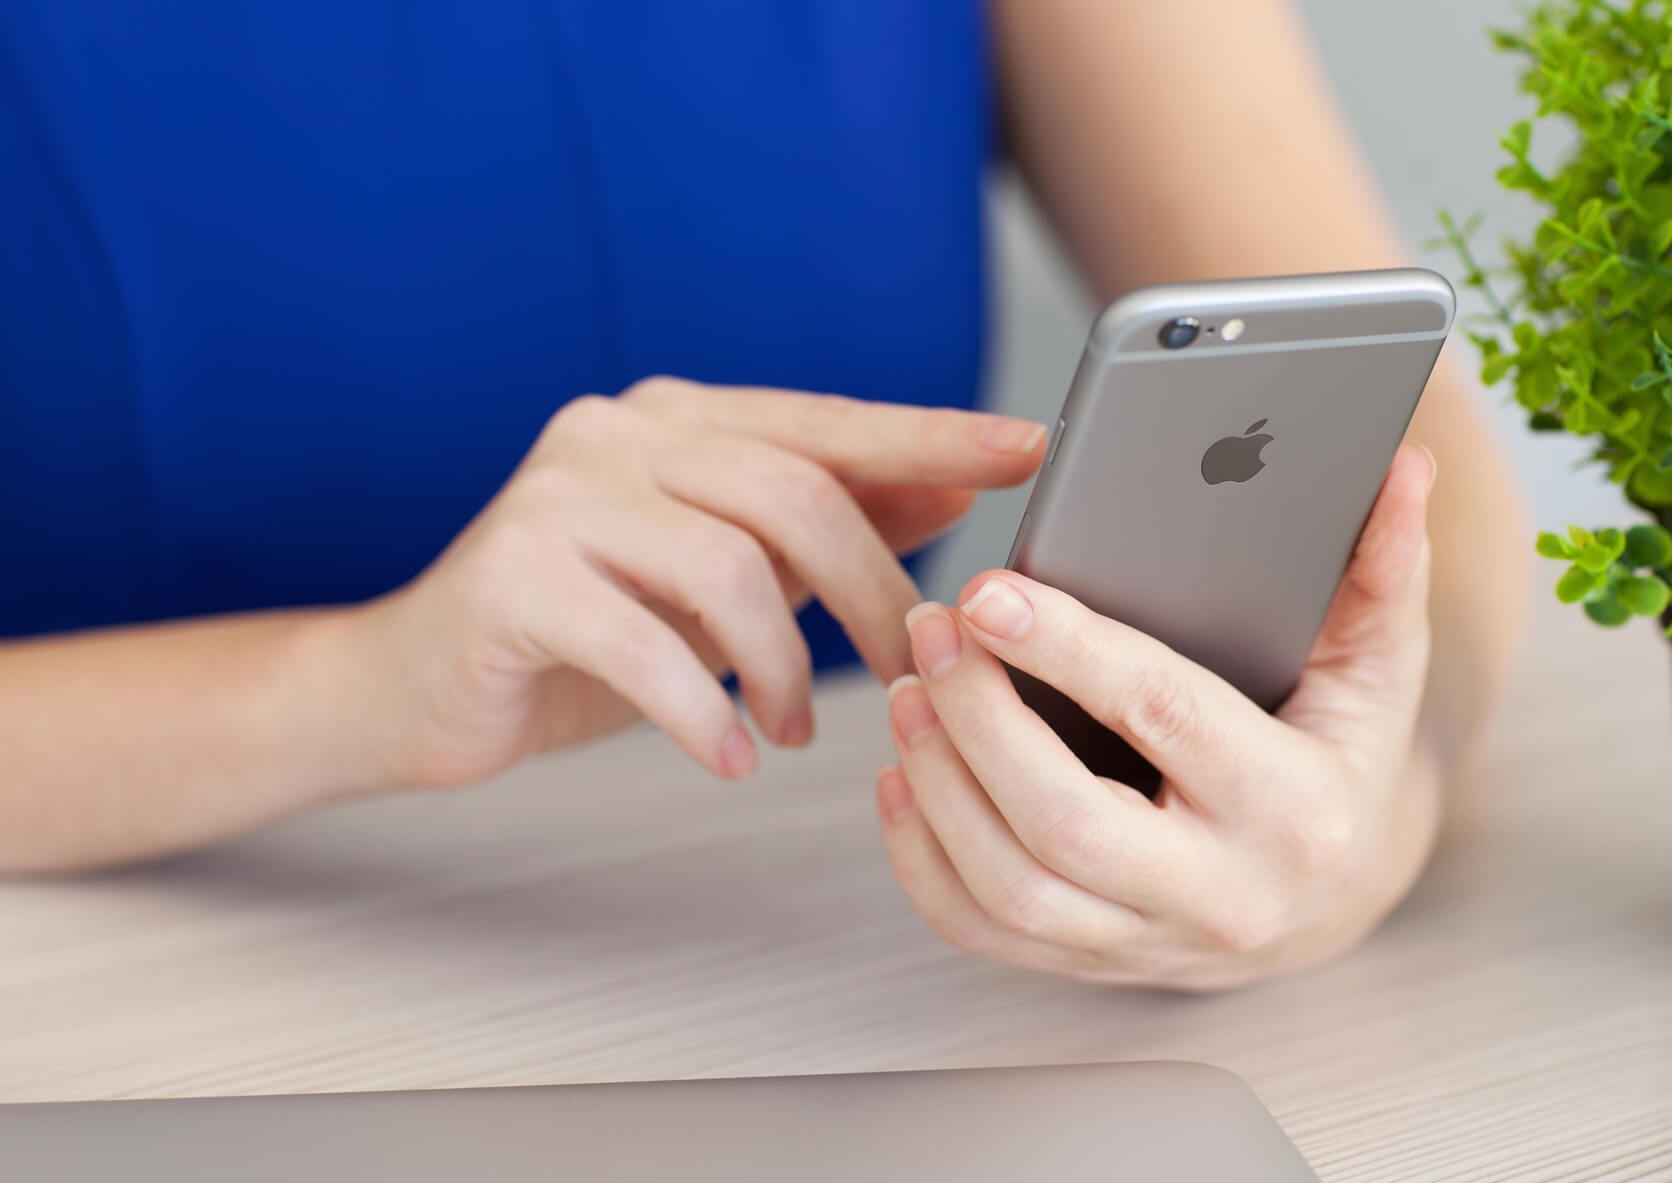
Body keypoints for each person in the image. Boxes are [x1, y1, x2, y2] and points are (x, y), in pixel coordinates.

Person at [0, 1, 1527, 991]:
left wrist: (1367, 822)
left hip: (847, 965)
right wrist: (356, 685)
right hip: (123, 982)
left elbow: (1418, 477)